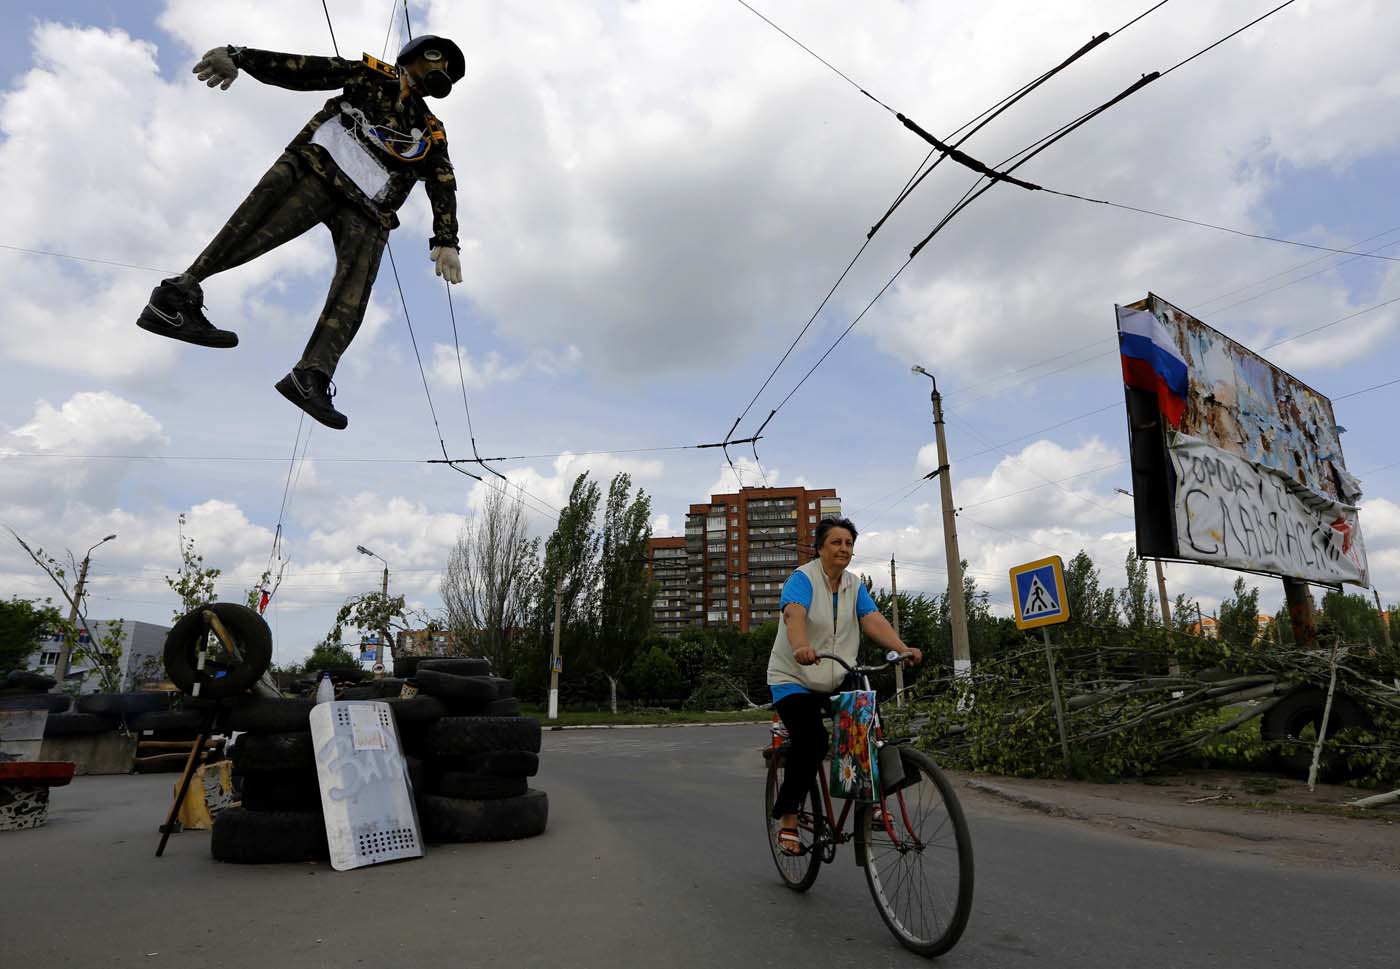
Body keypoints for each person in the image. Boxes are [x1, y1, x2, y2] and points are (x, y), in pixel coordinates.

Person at [135, 35, 468, 431]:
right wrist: (241, 57)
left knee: (353, 294)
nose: (441, 70)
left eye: (448, 70)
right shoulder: (368, 76)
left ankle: (311, 376)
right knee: (252, 228)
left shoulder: (430, 130)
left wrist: (447, 240)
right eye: (436, 59)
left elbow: (442, 182)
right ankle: (174, 299)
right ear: (412, 59)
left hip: (368, 208)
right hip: (319, 171)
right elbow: (308, 69)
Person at [766, 516, 921, 855]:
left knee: (867, 729)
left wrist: (901, 648)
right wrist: (800, 647)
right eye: (836, 542)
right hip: (793, 678)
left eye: (849, 543)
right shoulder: (802, 579)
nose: (844, 549)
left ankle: (873, 801)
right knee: (812, 741)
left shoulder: (854, 586)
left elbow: (872, 620)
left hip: (835, 674)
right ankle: (788, 818)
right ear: (819, 547)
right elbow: (794, 615)